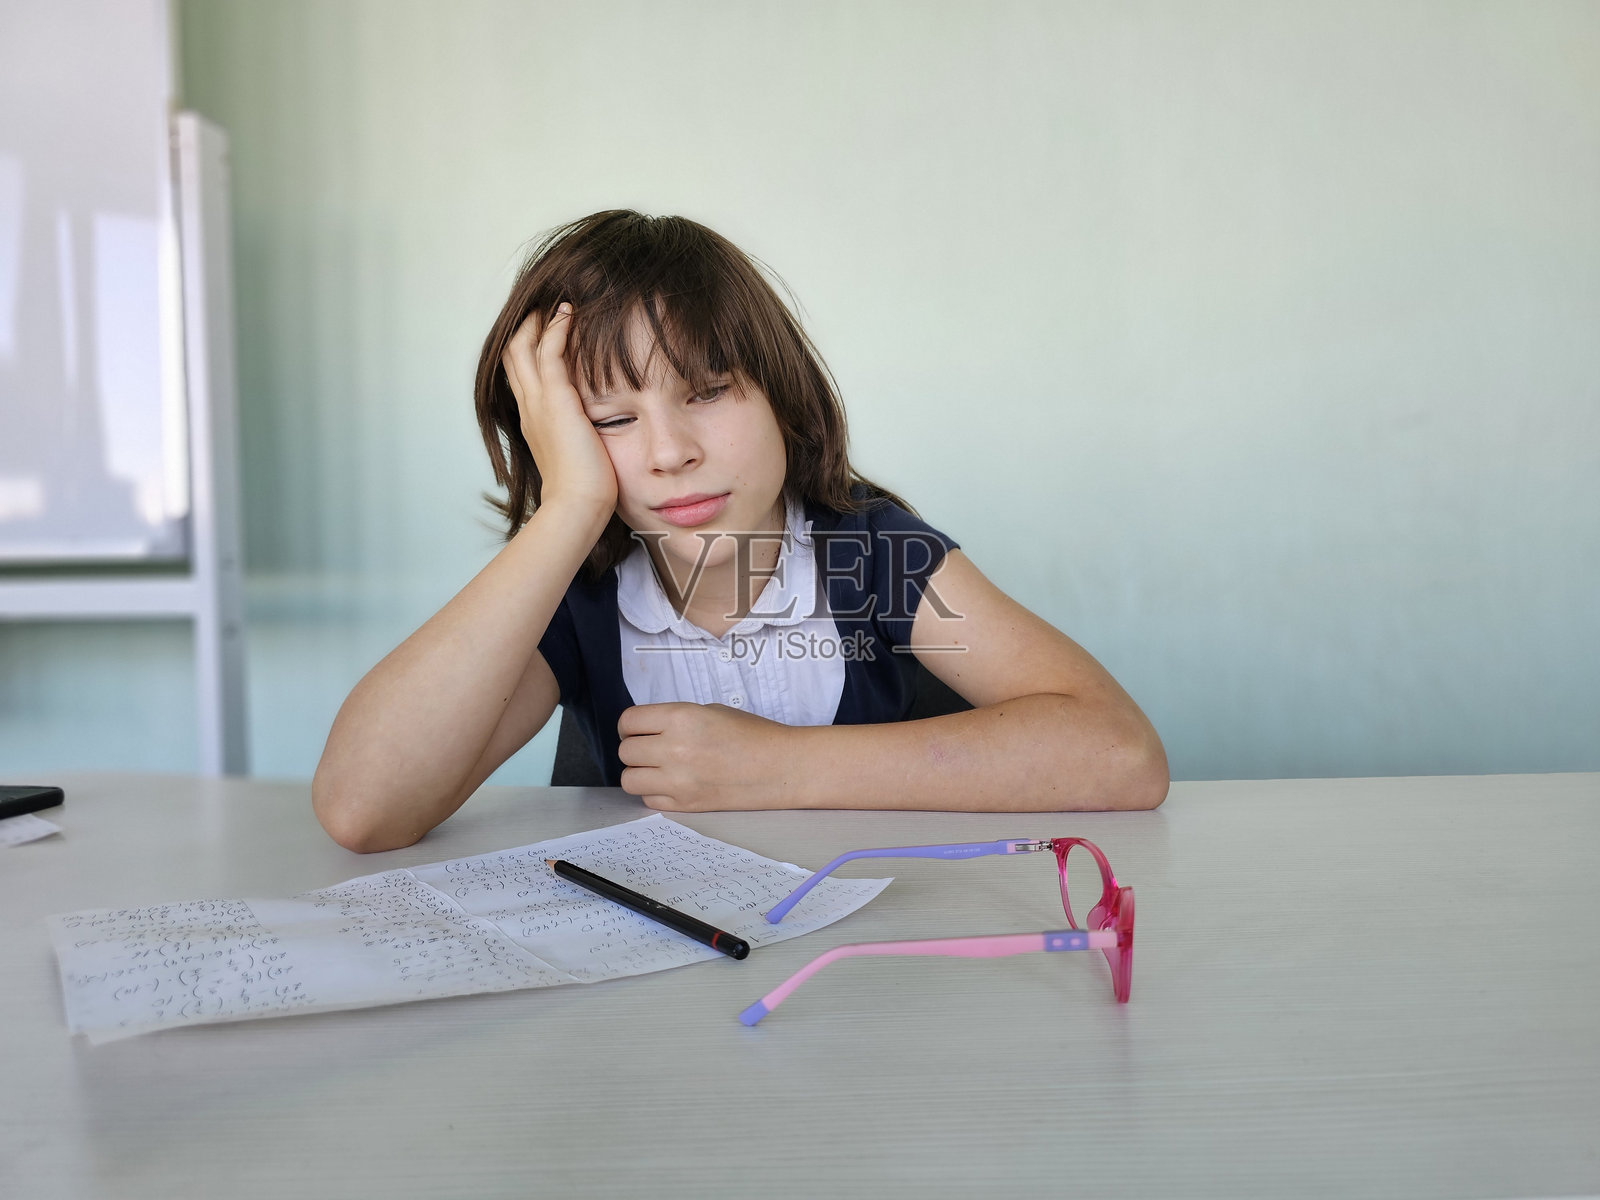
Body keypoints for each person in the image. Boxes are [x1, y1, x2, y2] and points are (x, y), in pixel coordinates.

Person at [313, 210, 1167, 852]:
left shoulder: (872, 553)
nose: (670, 453)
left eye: (709, 392)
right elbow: (363, 808)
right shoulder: (577, 589)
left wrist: (783, 768)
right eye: (609, 419)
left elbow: (1120, 754)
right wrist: (570, 509)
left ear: (781, 395)